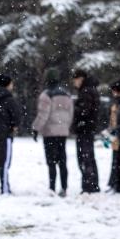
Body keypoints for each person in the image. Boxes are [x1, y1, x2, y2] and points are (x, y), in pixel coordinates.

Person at [32, 68, 74, 196]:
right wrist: (66, 126)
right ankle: (64, 188)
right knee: (62, 161)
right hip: (63, 132)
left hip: (50, 132)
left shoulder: (46, 95)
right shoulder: (67, 94)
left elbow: (43, 115)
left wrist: (36, 128)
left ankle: (52, 187)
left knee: (51, 162)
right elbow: (70, 114)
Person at [71, 69, 100, 193]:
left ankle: (88, 185)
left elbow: (84, 111)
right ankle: (92, 184)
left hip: (84, 129)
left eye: (75, 80)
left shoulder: (86, 91)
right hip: (88, 128)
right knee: (89, 157)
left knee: (84, 158)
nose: (74, 83)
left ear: (80, 78)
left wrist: (75, 110)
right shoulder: (90, 90)